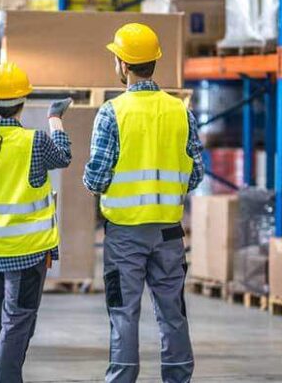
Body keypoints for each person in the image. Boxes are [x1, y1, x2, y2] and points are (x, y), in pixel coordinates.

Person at [84, 23, 204, 383]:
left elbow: (97, 178)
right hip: (169, 233)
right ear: (154, 61)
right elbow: (196, 174)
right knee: (173, 312)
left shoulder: (112, 112)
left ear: (122, 64)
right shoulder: (180, 111)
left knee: (123, 312)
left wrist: (95, 183)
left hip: (124, 236)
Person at [0, 62, 73, 383]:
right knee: (16, 322)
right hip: (25, 253)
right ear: (23, 102)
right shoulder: (33, 142)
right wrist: (55, 119)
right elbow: (63, 156)